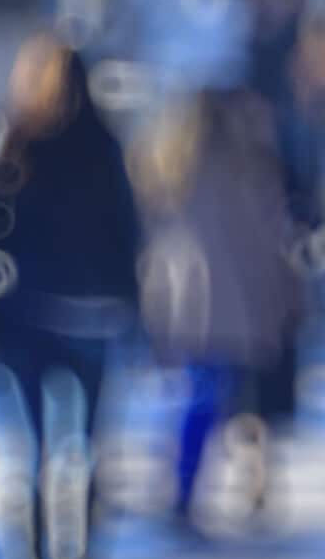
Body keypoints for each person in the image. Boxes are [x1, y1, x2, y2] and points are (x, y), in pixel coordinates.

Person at [0, 33, 141, 559]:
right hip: (91, 323)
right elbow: (130, 236)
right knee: (84, 458)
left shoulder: (10, 141)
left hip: (25, 324)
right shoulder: (103, 146)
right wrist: (134, 312)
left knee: (31, 461)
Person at [129, 88, 301, 529]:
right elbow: (267, 236)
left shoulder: (164, 163)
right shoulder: (243, 166)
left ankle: (179, 485)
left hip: (182, 299)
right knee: (223, 399)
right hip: (234, 302)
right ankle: (192, 489)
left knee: (192, 393)